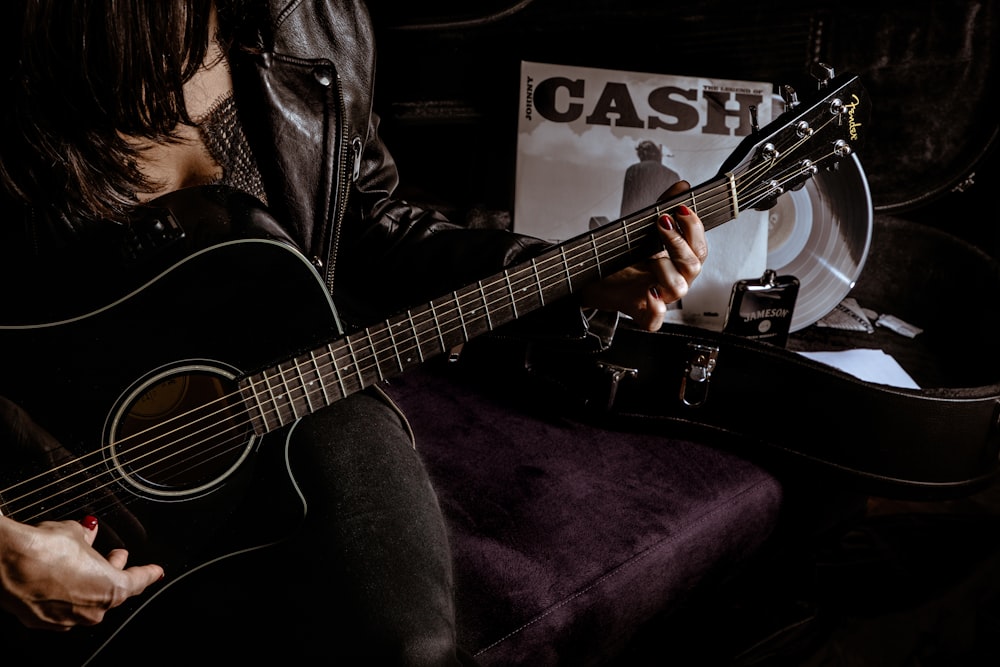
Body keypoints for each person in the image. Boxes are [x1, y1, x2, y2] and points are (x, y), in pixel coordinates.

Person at [0, 1, 707, 664]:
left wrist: (572, 278)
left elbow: (366, 223)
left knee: (405, 648)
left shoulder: (314, 13)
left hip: (292, 385)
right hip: (38, 461)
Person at [620, 139, 681, 218]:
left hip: (637, 222)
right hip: (663, 222)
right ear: (657, 154)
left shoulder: (632, 170)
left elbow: (626, 206)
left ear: (641, 155)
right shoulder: (673, 175)